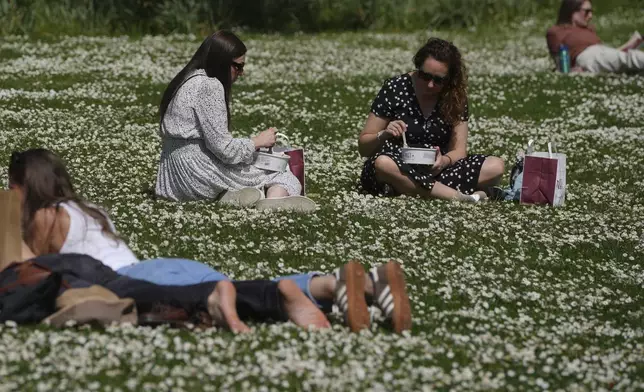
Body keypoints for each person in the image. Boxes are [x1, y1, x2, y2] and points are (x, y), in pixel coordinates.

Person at [8, 148, 413, 333]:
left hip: (133, 280)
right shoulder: (86, 209)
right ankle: (347, 284)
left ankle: (324, 287)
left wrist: (9, 212)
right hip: (165, 265)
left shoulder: (44, 218)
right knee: (241, 292)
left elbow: (23, 272)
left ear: (21, 186)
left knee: (230, 297)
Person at [155, 30, 316, 212]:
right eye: (238, 67)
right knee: (279, 169)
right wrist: (257, 141)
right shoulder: (210, 85)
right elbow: (225, 150)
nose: (241, 73)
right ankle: (273, 202)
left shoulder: (188, 78)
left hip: (172, 180)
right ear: (222, 62)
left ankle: (230, 196)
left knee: (248, 164)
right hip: (197, 174)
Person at [358, 38, 505, 203]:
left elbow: (459, 151)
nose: (429, 84)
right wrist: (384, 134)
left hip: (437, 169)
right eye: (424, 76)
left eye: (438, 80)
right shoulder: (395, 88)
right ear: (418, 67)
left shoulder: (455, 96)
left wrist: (444, 161)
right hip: (398, 165)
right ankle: (459, 196)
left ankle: (407, 188)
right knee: (383, 164)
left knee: (495, 166)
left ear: (449, 79)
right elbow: (364, 148)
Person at [546, 0, 643, 73]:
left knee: (626, 59)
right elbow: (558, 61)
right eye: (587, 11)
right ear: (572, 11)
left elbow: (609, 58)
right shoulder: (556, 31)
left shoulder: (589, 29)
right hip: (587, 56)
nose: (590, 15)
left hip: (600, 53)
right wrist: (571, 71)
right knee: (630, 58)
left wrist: (631, 44)